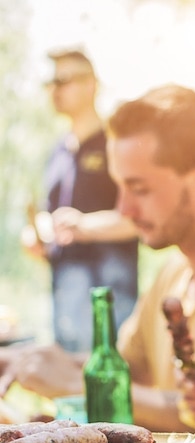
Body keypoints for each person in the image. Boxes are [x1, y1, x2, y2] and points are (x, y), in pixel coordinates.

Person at [1, 85, 195, 433]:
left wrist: (76, 384)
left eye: (139, 188)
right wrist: (30, 361)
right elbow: (124, 371)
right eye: (119, 189)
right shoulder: (172, 276)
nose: (124, 209)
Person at [21, 47, 139, 352]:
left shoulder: (117, 144)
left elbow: (138, 218)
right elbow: (51, 215)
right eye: (50, 82)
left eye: (64, 80)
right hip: (64, 302)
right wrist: (35, 235)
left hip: (110, 303)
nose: (54, 90)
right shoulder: (57, 151)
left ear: (91, 85)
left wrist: (83, 225)